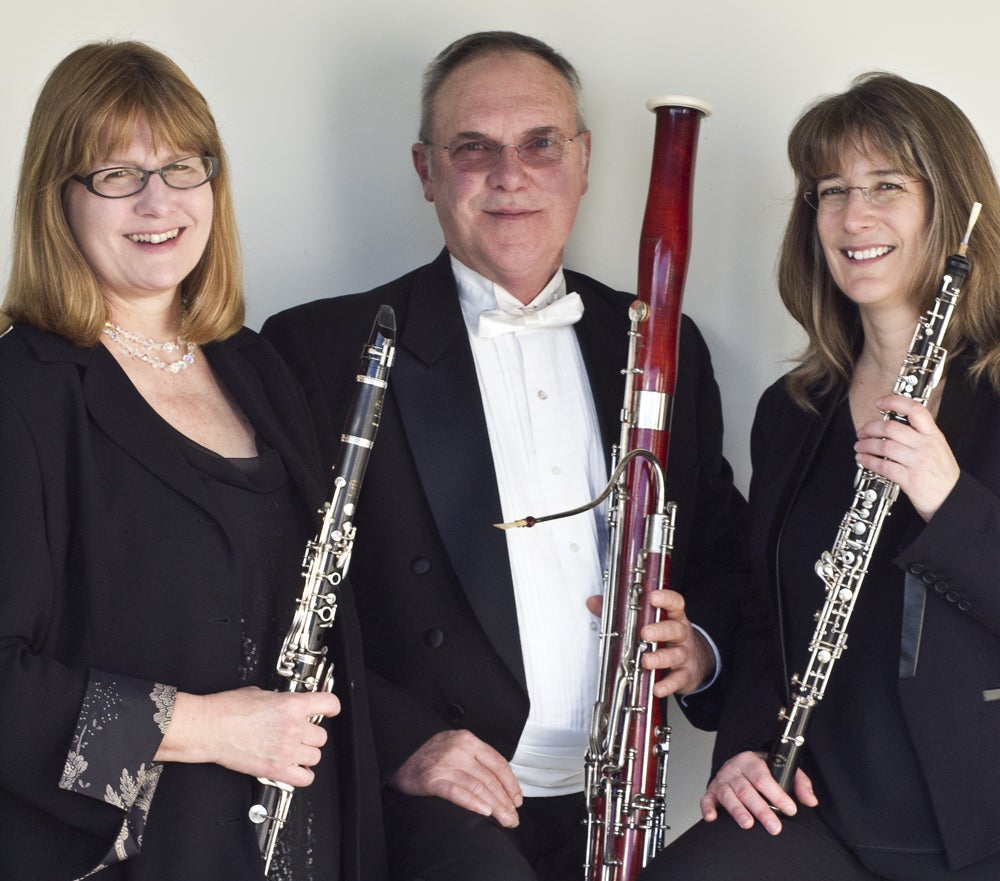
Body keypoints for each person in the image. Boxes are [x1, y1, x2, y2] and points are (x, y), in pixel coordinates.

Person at [261, 31, 746, 881]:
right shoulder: (322, 348)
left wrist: (697, 644)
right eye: (473, 148)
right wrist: (403, 741)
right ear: (425, 170)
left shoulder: (662, 341)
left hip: (615, 802)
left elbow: (718, 550)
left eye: (540, 145)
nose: (509, 176)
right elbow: (271, 598)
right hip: (433, 811)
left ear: (585, 160)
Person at [0, 41, 385, 881]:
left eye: (183, 167)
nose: (156, 200)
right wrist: (209, 728)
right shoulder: (25, 390)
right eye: (115, 173)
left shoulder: (255, 367)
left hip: (302, 846)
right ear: (57, 198)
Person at [641, 72, 1000, 881]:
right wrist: (739, 749)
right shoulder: (794, 411)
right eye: (830, 191)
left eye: (885, 186)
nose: (852, 216)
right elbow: (769, 618)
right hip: (821, 809)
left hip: (978, 823)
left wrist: (947, 497)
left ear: (950, 204)